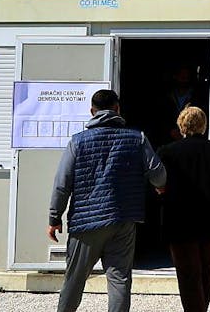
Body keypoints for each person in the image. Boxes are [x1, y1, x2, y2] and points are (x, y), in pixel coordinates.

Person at [47, 89, 167, 312]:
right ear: (117, 109)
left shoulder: (77, 142)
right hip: (123, 219)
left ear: (92, 111)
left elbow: (62, 184)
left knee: (74, 280)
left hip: (86, 223)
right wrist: (159, 186)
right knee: (119, 279)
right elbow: (158, 174)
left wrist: (55, 218)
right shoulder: (137, 138)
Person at [157, 106, 210, 312]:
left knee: (187, 274)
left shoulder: (167, 153)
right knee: (205, 271)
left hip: (180, 221)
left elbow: (157, 182)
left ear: (181, 126)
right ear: (204, 126)